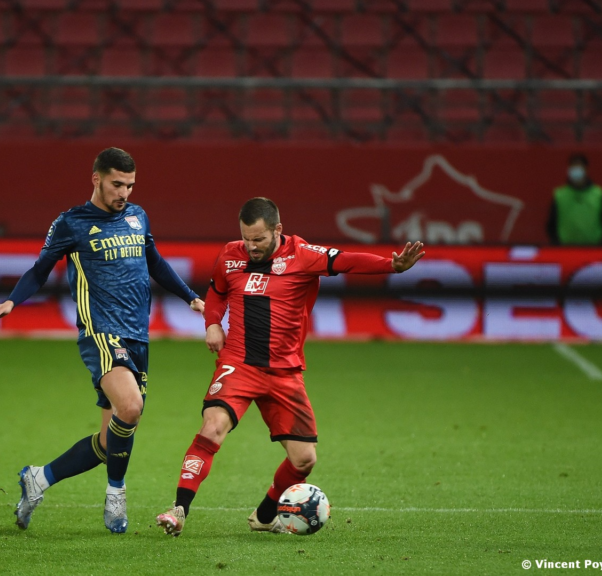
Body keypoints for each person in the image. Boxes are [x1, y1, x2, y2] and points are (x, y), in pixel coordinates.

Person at [156, 197, 424, 536]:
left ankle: (266, 516)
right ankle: (179, 509)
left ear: (277, 230)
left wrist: (392, 266)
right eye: (246, 238)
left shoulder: (303, 255)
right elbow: (217, 291)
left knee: (304, 460)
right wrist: (212, 323)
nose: (251, 246)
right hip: (239, 364)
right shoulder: (230, 255)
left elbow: (347, 261)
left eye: (259, 239)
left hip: (285, 372)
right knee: (212, 427)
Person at [0, 147, 204, 534]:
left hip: (139, 336)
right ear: (96, 179)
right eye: (118, 184)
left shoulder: (138, 216)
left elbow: (156, 262)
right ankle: (116, 493)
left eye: (131, 185)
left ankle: (39, 478)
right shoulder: (72, 223)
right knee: (131, 407)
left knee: (108, 440)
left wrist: (191, 297)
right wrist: (11, 301)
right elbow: (40, 270)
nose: (125, 193)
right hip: (101, 333)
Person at [546, 153, 602, 245]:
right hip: (566, 249)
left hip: (594, 248)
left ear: (586, 169)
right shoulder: (560, 195)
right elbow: (551, 224)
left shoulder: (598, 194)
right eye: (573, 167)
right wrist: (556, 243)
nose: (576, 170)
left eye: (579, 167)